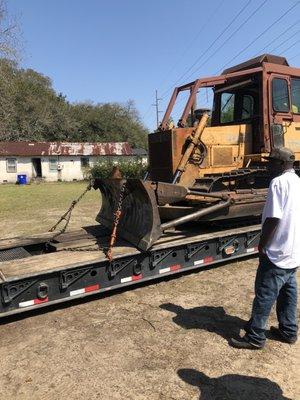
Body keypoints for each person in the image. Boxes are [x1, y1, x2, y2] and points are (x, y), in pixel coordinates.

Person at [230, 147, 299, 349]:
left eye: (270, 163)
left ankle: (255, 336)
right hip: (293, 249)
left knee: (265, 292)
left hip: (277, 250)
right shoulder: (297, 181)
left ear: (280, 164)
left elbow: (273, 218)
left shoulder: (278, 183)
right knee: (288, 291)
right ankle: (288, 331)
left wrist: (263, 243)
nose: (267, 166)